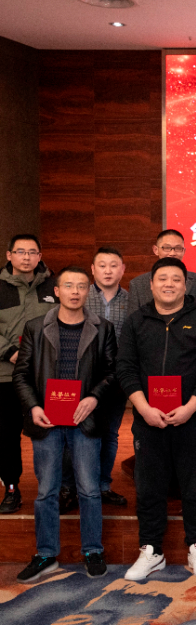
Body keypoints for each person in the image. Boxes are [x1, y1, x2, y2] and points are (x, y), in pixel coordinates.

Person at [116, 257, 196, 581]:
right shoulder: (136, 321)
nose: (169, 284)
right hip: (148, 419)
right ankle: (151, 550)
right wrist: (143, 408)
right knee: (149, 487)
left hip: (194, 417)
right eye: (162, 278)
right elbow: (125, 367)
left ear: (185, 284)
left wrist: (191, 406)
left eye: (176, 279)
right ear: (151, 285)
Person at [12, 266, 116, 583]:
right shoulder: (35, 327)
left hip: (85, 419)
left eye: (81, 286)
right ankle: (46, 553)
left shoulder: (103, 328)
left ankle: (93, 550)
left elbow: (112, 372)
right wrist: (34, 407)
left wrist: (94, 398)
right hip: (47, 420)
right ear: (56, 291)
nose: (75, 291)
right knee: (46, 490)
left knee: (89, 489)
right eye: (68, 286)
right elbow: (21, 374)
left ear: (88, 292)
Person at [1, 234, 57, 514]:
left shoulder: (54, 285)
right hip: (5, 375)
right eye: (20, 251)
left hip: (44, 376)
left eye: (32, 252)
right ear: (9, 255)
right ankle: (11, 488)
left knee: (48, 432)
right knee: (6, 435)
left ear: (39, 256)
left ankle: (54, 488)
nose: (26, 257)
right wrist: (9, 351)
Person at [82, 247, 129, 507]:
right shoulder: (80, 296)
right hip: (83, 378)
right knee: (79, 432)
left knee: (110, 434)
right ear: (92, 269)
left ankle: (102, 486)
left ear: (123, 269)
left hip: (116, 379)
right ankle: (74, 486)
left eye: (114, 265)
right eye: (102, 265)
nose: (108, 271)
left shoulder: (132, 300)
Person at [126, 230, 196, 314]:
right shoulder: (137, 284)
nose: (172, 253)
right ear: (156, 250)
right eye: (167, 248)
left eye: (178, 248)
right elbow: (133, 318)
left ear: (183, 251)